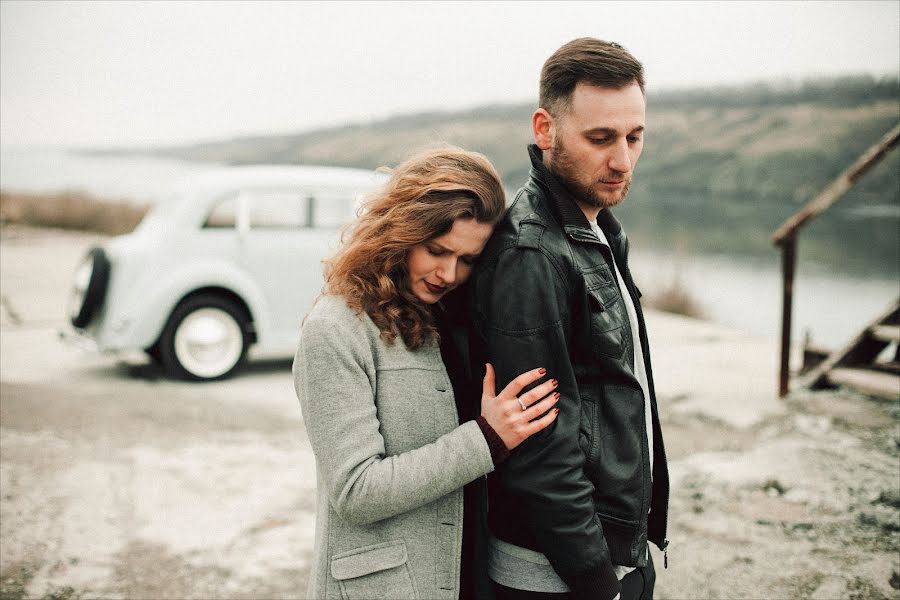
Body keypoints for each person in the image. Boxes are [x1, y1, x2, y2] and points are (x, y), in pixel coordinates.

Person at [293, 147, 561, 600]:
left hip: (465, 575)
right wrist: (487, 439)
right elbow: (357, 491)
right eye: (436, 250)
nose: (448, 273)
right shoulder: (335, 329)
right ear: (400, 232)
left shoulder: (452, 317)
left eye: (468, 259)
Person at [468, 38, 670, 600]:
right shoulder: (531, 253)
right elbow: (540, 447)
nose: (623, 160)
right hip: (557, 575)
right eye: (601, 138)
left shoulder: (597, 227)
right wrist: (595, 580)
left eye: (634, 137)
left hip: (609, 554)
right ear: (545, 128)